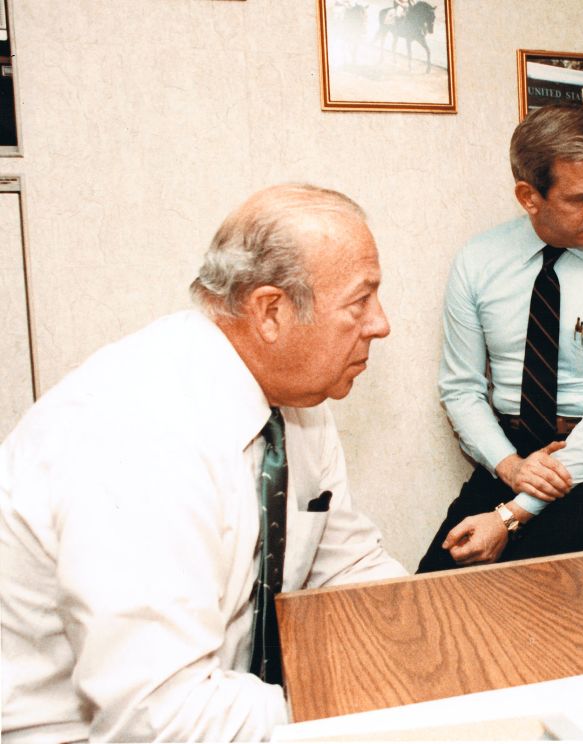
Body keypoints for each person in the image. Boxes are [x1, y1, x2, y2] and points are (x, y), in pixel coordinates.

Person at [0, 184, 406, 742]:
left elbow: (343, 567)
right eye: (361, 301)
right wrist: (366, 701)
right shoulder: (138, 437)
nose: (380, 323)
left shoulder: (297, 399)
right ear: (270, 311)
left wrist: (428, 643)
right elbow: (157, 718)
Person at [417, 104, 583, 572]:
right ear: (529, 196)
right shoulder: (478, 261)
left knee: (526, 580)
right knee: (434, 581)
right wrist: (510, 468)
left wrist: (510, 516)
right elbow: (461, 388)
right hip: (512, 456)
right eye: (581, 198)